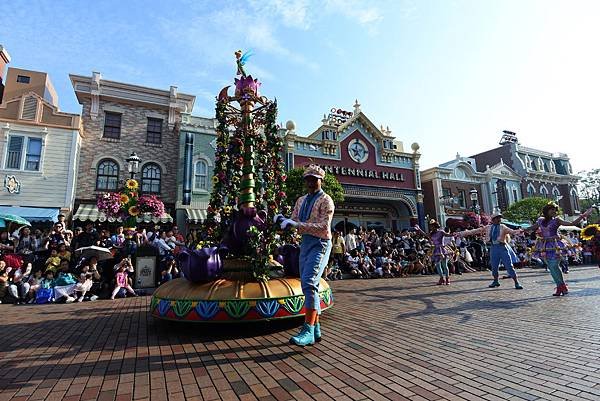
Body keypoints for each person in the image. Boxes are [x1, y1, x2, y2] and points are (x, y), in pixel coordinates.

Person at [276, 164, 334, 346]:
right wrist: (282, 221)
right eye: (307, 179)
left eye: (313, 179)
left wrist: (294, 224)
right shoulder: (300, 200)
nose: (310, 182)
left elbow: (324, 226)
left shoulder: (327, 200)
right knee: (309, 284)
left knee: (309, 282)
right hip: (305, 243)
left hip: (321, 243)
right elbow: (294, 220)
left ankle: (308, 328)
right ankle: (315, 328)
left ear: (320, 180)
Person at [524, 202, 592, 296]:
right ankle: (561, 287)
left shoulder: (557, 220)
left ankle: (561, 286)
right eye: (552, 209)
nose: (554, 211)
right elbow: (532, 227)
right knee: (552, 268)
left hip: (556, 245)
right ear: (547, 211)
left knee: (554, 266)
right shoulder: (540, 220)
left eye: (555, 210)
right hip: (544, 246)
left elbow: (572, 223)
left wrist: (582, 216)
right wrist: (521, 230)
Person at [455, 212, 524, 289]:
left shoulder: (503, 227)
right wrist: (461, 233)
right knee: (494, 266)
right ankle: (496, 281)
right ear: (493, 219)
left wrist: (519, 231)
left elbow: (512, 231)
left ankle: (516, 282)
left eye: (500, 218)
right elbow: (475, 231)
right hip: (493, 248)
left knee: (509, 266)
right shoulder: (488, 227)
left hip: (502, 248)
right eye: (497, 218)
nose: (499, 219)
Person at [417, 220, 454, 285]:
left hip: (442, 250)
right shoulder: (431, 233)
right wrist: (419, 229)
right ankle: (441, 278)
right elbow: (425, 235)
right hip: (435, 250)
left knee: (444, 265)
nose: (431, 227)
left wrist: (454, 234)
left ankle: (447, 279)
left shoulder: (441, 232)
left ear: (435, 226)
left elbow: (448, 235)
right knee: (437, 265)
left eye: (432, 226)